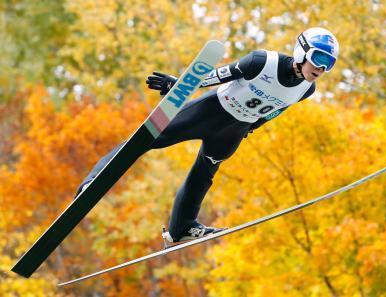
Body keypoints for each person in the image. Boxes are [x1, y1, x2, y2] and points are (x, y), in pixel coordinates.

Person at [75, 27, 339, 243]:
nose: (322, 69)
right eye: (319, 59)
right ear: (301, 51)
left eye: (330, 64)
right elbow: (217, 76)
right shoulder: (262, 62)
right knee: (145, 139)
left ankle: (182, 228)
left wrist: (254, 125)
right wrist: (177, 84)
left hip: (232, 131)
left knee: (204, 173)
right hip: (209, 111)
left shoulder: (307, 90)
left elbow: (278, 110)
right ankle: (93, 182)